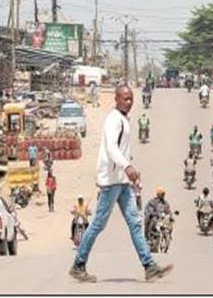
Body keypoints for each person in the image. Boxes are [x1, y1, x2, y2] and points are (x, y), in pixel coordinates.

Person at [69, 85, 173, 283]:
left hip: (122, 181)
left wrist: (131, 172)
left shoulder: (124, 119)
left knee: (135, 223)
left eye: (131, 98)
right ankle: (78, 264)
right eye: (125, 98)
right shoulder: (113, 119)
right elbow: (111, 148)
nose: (129, 102)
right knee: (98, 224)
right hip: (111, 181)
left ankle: (149, 266)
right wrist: (127, 166)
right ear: (116, 99)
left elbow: (122, 150)